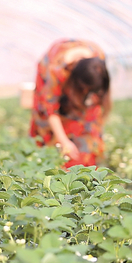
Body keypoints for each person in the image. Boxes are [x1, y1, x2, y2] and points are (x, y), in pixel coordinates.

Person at [29, 39, 111, 168]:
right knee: (50, 131)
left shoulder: (97, 57)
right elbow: (50, 108)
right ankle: (53, 167)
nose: (86, 92)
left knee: (88, 127)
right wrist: (64, 141)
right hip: (51, 82)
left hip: (76, 81)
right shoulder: (55, 69)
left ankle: (87, 167)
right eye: (83, 89)